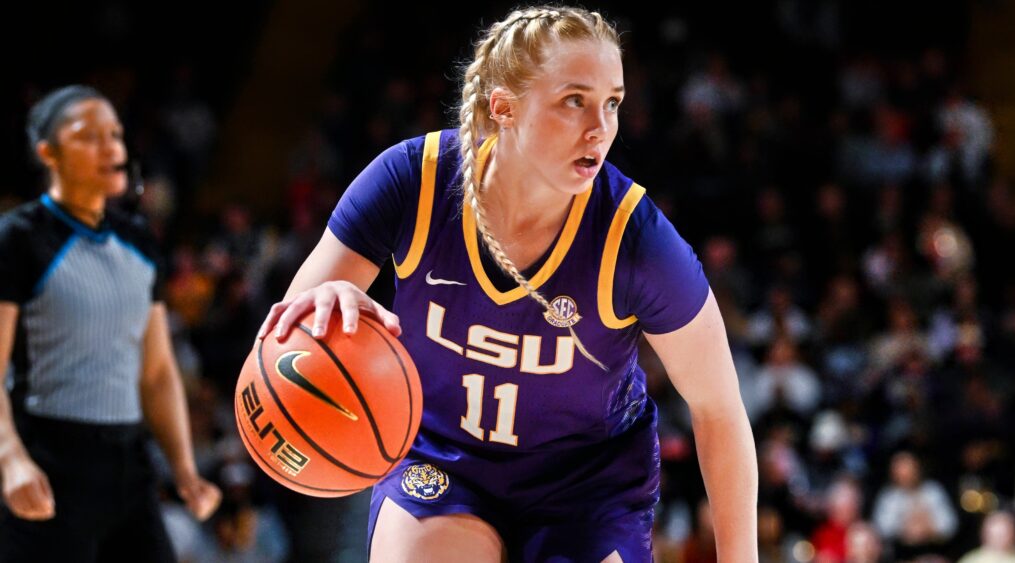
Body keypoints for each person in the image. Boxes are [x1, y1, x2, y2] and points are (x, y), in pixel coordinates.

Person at [259, 6, 757, 561]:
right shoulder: (414, 181)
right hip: (444, 460)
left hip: (587, 487)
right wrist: (319, 311)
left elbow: (719, 409)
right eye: (575, 100)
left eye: (612, 102)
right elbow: (280, 342)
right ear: (503, 107)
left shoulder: (634, 239)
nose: (601, 126)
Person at [0, 85, 221, 562]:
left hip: (130, 464)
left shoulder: (139, 240)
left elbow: (157, 372)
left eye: (116, 135)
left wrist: (183, 469)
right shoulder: (18, 238)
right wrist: (10, 459)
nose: (111, 149)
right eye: (88, 136)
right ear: (48, 153)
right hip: (49, 458)